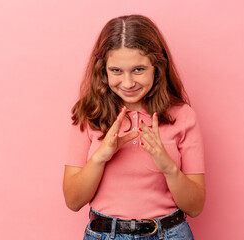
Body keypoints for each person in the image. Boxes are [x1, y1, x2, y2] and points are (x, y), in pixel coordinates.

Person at [63, 14, 205, 240]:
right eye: (116, 71)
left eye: (138, 69)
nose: (128, 83)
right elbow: (73, 201)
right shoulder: (90, 114)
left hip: (170, 234)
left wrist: (167, 166)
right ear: (103, 70)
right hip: (104, 234)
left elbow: (196, 207)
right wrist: (100, 157)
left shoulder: (183, 116)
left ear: (157, 67)